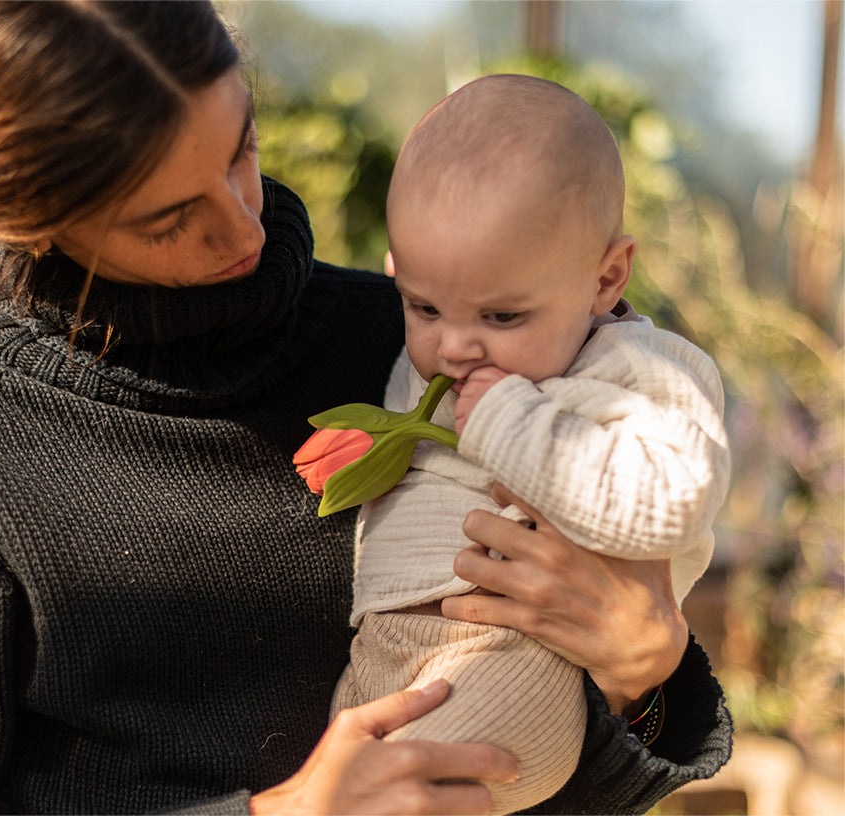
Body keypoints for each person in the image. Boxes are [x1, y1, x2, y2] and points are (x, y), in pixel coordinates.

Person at [0, 3, 731, 814]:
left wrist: (646, 680)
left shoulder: (427, 341)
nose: (244, 225)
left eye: (241, 148)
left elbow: (531, 757)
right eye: (167, 218)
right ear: (31, 215)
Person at [310, 75, 730, 814]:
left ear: (606, 278)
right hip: (384, 650)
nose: (455, 345)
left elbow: (679, 496)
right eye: (423, 306)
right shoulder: (429, 342)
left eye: (503, 316)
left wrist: (513, 423)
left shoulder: (636, 369)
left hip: (513, 658)